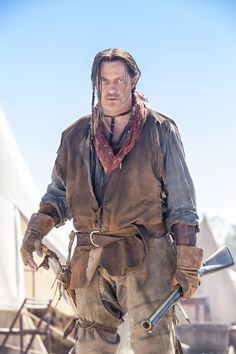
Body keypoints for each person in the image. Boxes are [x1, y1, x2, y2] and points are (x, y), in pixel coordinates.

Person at [20, 48, 203, 354]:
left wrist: (187, 263)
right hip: (90, 253)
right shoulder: (74, 136)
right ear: (96, 84)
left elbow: (183, 204)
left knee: (153, 343)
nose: (112, 88)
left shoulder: (159, 130)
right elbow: (59, 195)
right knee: (91, 343)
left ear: (133, 80)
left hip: (148, 255)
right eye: (105, 81)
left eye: (119, 79)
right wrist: (35, 232)